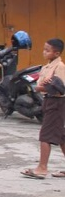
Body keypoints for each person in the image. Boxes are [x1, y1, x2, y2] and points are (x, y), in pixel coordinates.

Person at [21, 37, 65, 180]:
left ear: (57, 53)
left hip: (57, 102)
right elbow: (40, 87)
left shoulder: (60, 67)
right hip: (48, 101)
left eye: (47, 50)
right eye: (44, 49)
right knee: (62, 136)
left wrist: (45, 86)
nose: (44, 52)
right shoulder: (47, 67)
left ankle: (42, 168)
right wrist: (44, 86)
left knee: (45, 135)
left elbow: (60, 89)